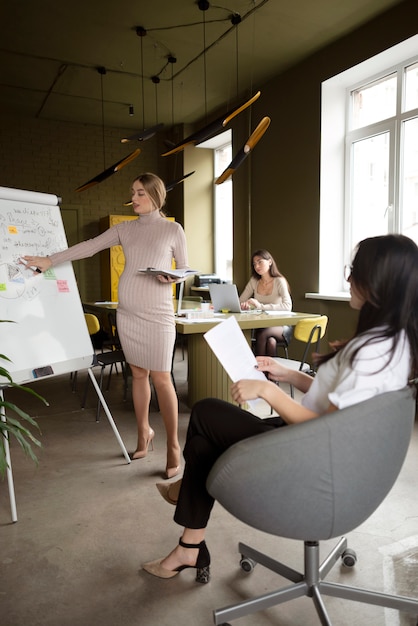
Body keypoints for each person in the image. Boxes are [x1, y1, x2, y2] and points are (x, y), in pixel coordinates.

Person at [142, 234, 418, 582]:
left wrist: (270, 393)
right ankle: (189, 546)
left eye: (355, 271)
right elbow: (337, 400)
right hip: (309, 441)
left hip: (311, 451)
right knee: (201, 445)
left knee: (206, 413)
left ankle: (189, 527)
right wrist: (284, 372)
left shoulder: (374, 353)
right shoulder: (388, 343)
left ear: (380, 282)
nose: (348, 279)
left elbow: (326, 423)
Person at [22, 172, 189, 479]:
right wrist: (49, 259)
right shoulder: (124, 228)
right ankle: (143, 434)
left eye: (139, 193)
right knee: (138, 374)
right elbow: (89, 247)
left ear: (155, 195)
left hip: (159, 314)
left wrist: (173, 276)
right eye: (133, 193)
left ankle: (173, 447)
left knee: (162, 378)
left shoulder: (172, 229)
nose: (134, 198)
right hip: (128, 313)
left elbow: (186, 269)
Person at [239, 249, 292, 356]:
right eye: (254, 264)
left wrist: (260, 306)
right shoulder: (254, 281)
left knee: (262, 335)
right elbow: (240, 301)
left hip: (281, 326)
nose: (257, 266)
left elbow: (288, 306)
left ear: (270, 262)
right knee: (271, 342)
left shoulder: (279, 281)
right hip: (262, 324)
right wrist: (245, 305)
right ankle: (270, 373)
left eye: (260, 262)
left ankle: (258, 370)